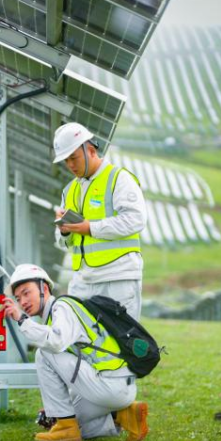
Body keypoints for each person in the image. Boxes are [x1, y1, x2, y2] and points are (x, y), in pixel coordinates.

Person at [2, 264, 148, 441]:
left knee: (44, 353)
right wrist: (58, 408)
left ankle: (66, 427)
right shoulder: (57, 313)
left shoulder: (63, 307)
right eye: (18, 298)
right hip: (114, 387)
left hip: (109, 384)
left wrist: (22, 320)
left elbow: (55, 342)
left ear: (44, 288)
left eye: (26, 293)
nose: (22, 302)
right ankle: (123, 415)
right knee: (63, 422)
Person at [51, 122, 147, 319]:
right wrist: (64, 231)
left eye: (74, 158)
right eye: (66, 160)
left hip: (118, 278)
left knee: (122, 344)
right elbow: (62, 241)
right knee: (80, 342)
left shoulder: (119, 179)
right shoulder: (69, 191)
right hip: (83, 280)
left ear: (91, 150)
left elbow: (136, 219)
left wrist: (90, 228)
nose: (70, 165)